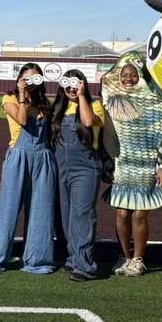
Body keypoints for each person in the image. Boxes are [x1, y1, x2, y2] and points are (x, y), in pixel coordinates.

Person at [99, 50, 162, 277]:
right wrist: (108, 164)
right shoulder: (111, 100)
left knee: (140, 214)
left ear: (140, 74)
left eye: (132, 74)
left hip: (146, 165)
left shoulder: (156, 102)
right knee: (122, 213)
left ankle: (138, 259)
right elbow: (106, 135)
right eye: (124, 74)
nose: (128, 78)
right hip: (122, 164)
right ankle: (124, 256)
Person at [0, 63, 57, 274]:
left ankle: (37, 260)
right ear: (19, 78)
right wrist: (22, 93)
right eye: (27, 77)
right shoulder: (9, 98)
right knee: (8, 207)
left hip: (42, 157)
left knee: (41, 210)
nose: (31, 82)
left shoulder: (46, 104)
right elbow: (23, 120)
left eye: (36, 78)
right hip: (18, 155)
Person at [49, 69, 105, 282]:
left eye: (76, 83)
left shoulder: (95, 105)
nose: (72, 88)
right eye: (68, 84)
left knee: (82, 214)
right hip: (60, 167)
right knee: (65, 216)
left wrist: (82, 96)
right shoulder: (57, 108)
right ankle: (73, 257)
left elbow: (89, 122)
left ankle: (85, 266)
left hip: (85, 168)